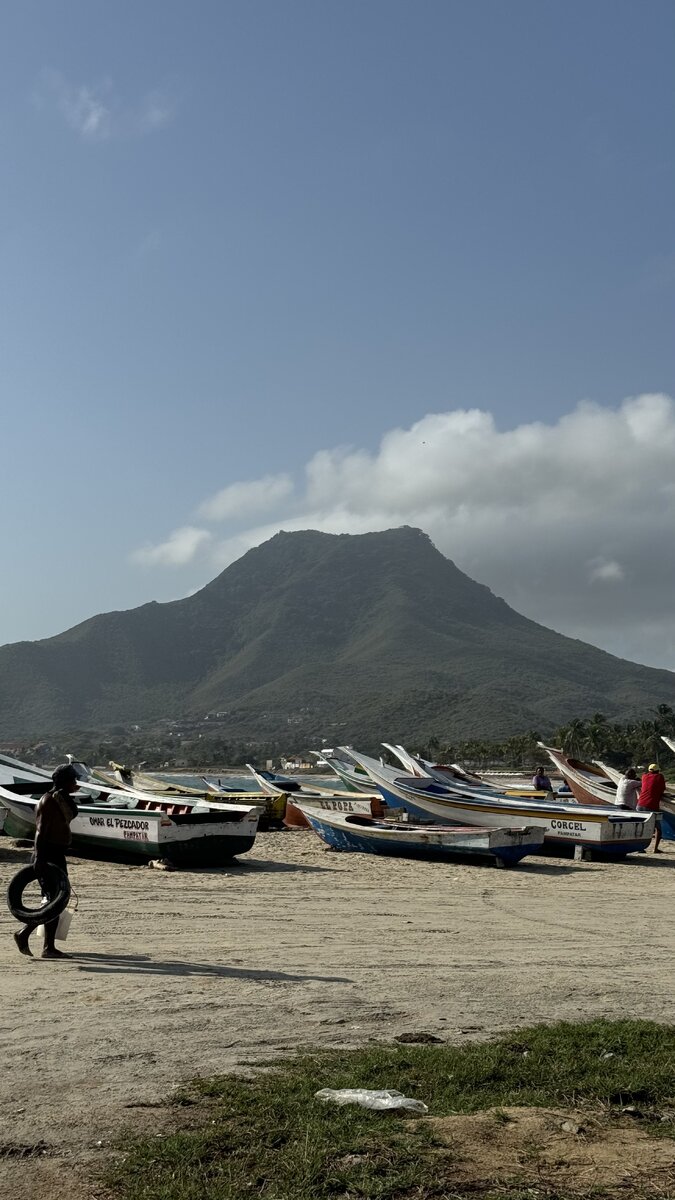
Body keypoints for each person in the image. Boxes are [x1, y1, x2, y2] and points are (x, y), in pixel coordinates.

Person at [13, 763, 79, 959]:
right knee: (54, 900)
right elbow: (40, 831)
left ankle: (30, 936)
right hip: (47, 854)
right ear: (64, 781)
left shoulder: (60, 799)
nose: (75, 783)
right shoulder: (48, 801)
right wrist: (39, 858)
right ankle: (45, 946)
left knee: (58, 899)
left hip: (57, 854)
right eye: (72, 780)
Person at [636, 763, 666, 853]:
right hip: (651, 806)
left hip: (640, 805)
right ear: (658, 771)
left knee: (641, 827)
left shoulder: (644, 776)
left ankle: (640, 848)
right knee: (658, 829)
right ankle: (655, 849)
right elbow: (662, 789)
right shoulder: (660, 777)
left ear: (649, 770)